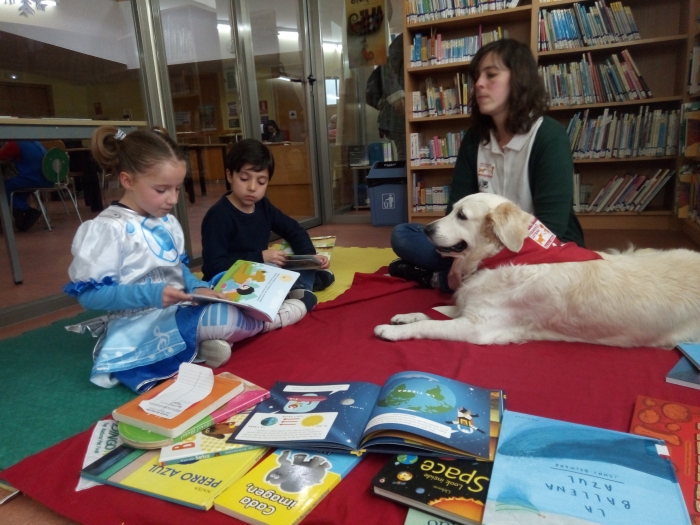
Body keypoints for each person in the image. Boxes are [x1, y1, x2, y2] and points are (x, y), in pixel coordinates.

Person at [63, 127, 309, 393]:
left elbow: (177, 268)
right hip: (140, 324)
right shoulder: (107, 229)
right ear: (127, 180)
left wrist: (195, 287)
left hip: (178, 307)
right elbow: (89, 296)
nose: (172, 199)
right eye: (161, 189)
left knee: (228, 290)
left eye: (177, 188)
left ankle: (203, 346)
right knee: (226, 316)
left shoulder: (164, 220)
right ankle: (281, 315)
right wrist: (150, 294)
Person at [389, 38, 584, 293]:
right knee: (403, 235)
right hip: (477, 245)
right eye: (477, 77)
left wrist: (474, 261)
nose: (479, 84)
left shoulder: (548, 137)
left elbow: (550, 230)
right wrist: (462, 257)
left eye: (491, 75)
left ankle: (437, 278)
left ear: (519, 80)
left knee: (538, 277)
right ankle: (454, 277)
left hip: (537, 251)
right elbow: (456, 209)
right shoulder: (474, 139)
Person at [201, 138, 335, 311]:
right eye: (244, 178)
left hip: (262, 273)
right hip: (231, 281)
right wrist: (260, 258)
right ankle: (304, 288)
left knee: (289, 262)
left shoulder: (263, 206)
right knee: (271, 272)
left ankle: (300, 287)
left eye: (261, 182)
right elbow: (213, 267)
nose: (252, 187)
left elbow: (294, 230)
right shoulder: (218, 216)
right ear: (229, 175)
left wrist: (310, 258)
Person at [1, 140, 50, 231]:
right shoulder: (36, 143)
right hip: (46, 179)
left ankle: (25, 210)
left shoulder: (15, 145)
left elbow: (1, 155)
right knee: (16, 189)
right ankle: (22, 215)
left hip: (31, 179)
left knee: (4, 186)